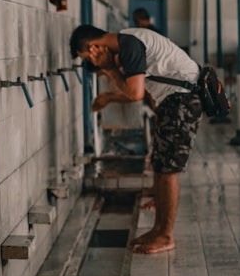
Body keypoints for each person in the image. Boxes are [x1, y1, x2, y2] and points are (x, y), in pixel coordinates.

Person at [70, 24, 203, 255]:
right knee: (161, 166)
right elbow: (136, 89)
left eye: (90, 59)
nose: (94, 65)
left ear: (94, 48)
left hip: (182, 99)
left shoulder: (129, 44)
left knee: (169, 169)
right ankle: (158, 229)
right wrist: (110, 92)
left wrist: (110, 70)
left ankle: (165, 235)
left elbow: (135, 93)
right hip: (174, 101)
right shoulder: (128, 42)